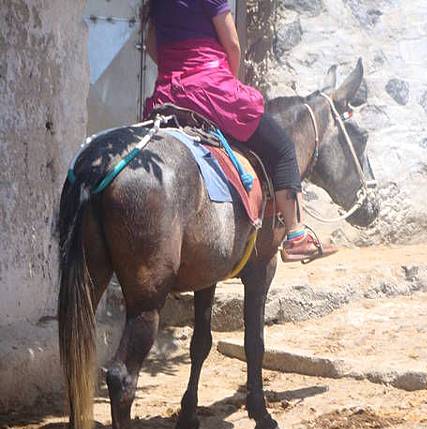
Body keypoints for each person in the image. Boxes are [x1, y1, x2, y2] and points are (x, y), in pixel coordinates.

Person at [142, 0, 336, 262]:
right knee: (282, 148)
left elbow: (152, 45)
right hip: (211, 89)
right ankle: (296, 236)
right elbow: (232, 44)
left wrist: (178, 68)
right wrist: (227, 80)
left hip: (169, 94)